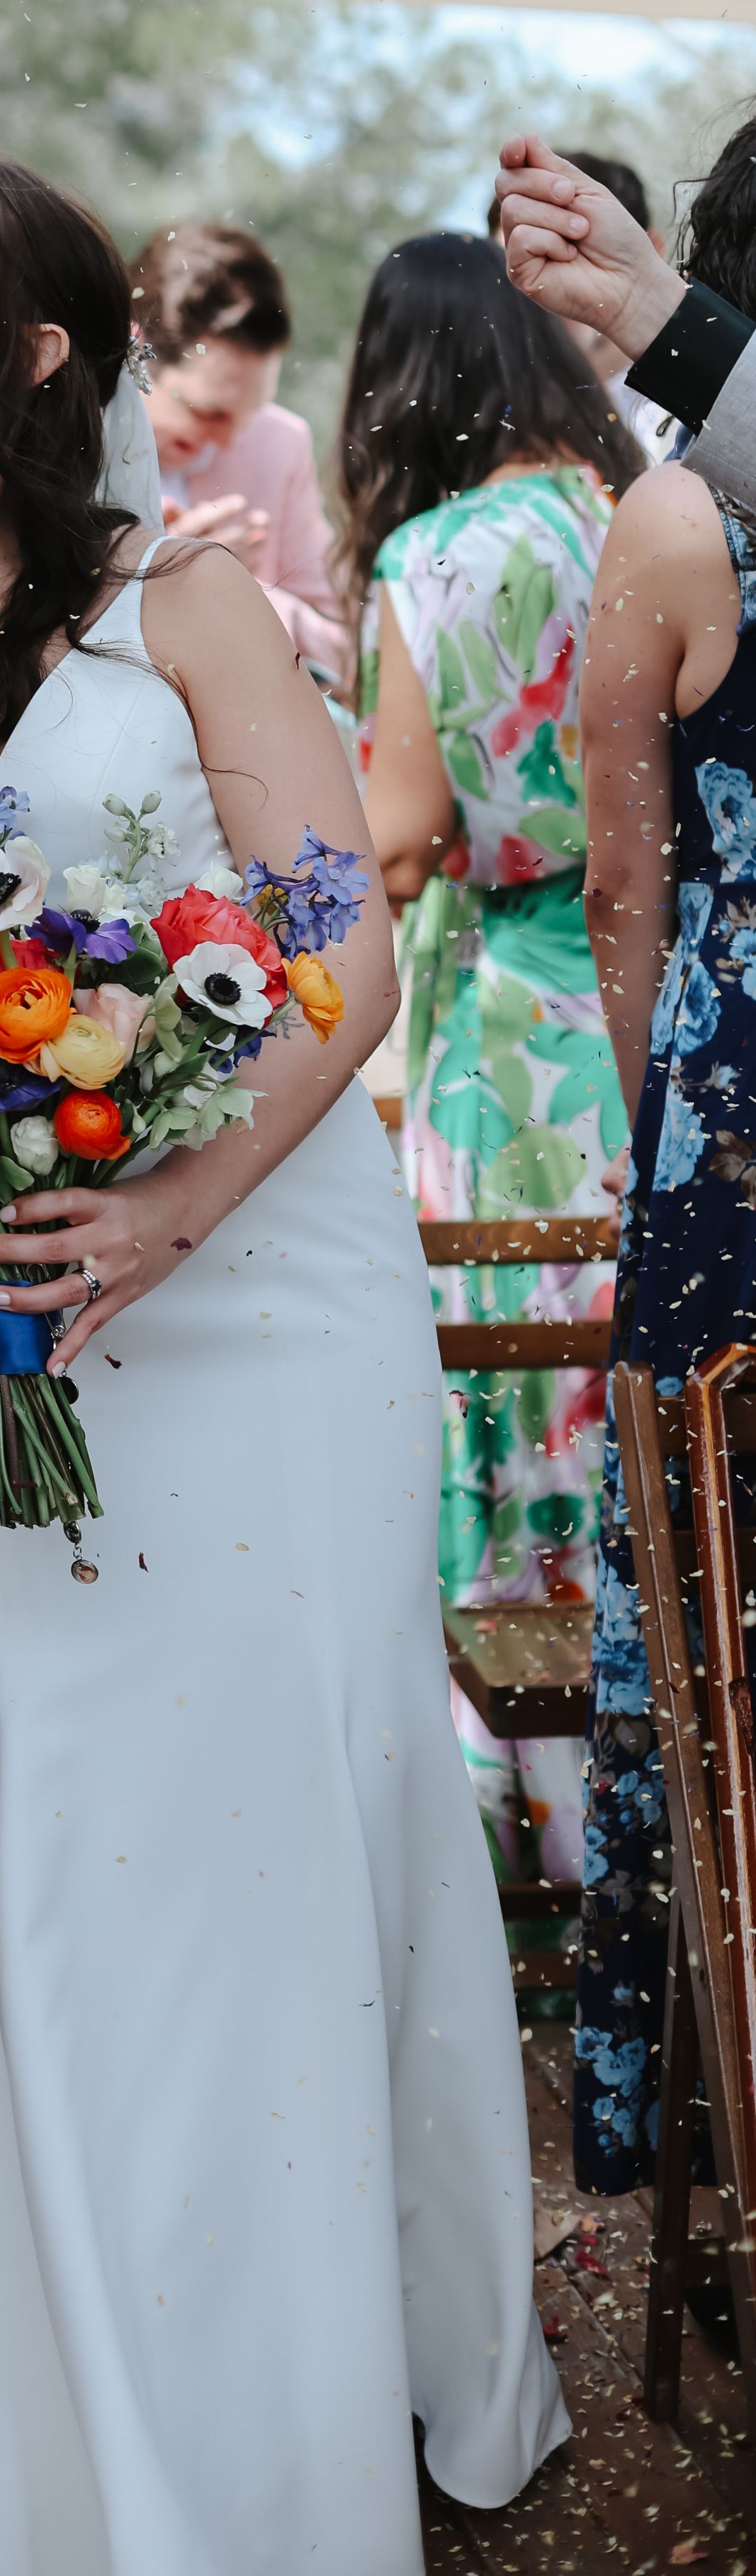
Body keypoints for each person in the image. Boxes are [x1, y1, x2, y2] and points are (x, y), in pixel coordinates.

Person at [0, 150, 563, 2568]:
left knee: (295, 1836)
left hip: (259, 1314)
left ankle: (322, 2384)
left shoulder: (179, 610)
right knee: (61, 1856)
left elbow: (337, 954)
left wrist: (176, 1202)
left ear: (23, 350)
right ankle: (65, 2373)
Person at [495, 119, 756, 2191]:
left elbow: (617, 890)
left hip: (730, 1130)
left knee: (708, 1583)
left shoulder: (666, 521)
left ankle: (688, 2081)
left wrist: (671, 1089)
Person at [339, 233, 642, 1892]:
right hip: (647, 1025)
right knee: (633, 1422)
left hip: (507, 1038)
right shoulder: (653, 517)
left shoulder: (433, 560)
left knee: (505, 1411)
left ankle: (537, 1841)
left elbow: (390, 837)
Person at [128, 218, 351, 686]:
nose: (229, 440)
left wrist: (231, 590)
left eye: (250, 414)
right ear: (136, 348)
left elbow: (347, 647)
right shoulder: (59, 439)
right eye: (209, 412)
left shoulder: (279, 444)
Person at [489, 145, 672, 451]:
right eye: (512, 271)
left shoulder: (698, 406)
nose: (537, 289)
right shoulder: (497, 428)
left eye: (556, 255)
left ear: (651, 249)